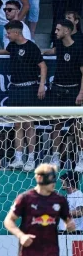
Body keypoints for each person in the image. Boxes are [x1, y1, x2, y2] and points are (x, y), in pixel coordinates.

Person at [0, 21, 47, 172]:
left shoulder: (31, 47)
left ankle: (31, 159)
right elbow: (7, 52)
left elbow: (43, 66)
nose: (6, 35)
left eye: (8, 33)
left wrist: (41, 85)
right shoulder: (12, 46)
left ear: (17, 33)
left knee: (29, 124)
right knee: (17, 124)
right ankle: (18, 158)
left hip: (29, 88)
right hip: (15, 88)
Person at [4, 164, 75, 256]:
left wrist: (70, 224)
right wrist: (21, 236)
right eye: (50, 178)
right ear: (39, 178)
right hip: (28, 255)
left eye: (54, 178)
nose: (54, 183)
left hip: (50, 255)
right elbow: (8, 220)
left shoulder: (60, 200)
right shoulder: (25, 198)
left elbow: (68, 221)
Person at [42, 20, 83, 168]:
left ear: (66, 31)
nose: (55, 32)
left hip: (73, 91)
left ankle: (81, 158)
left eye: (58, 30)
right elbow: (52, 51)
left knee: (77, 126)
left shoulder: (79, 49)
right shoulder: (59, 45)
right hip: (58, 90)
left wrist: (81, 93)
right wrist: (41, 51)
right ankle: (55, 158)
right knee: (56, 125)